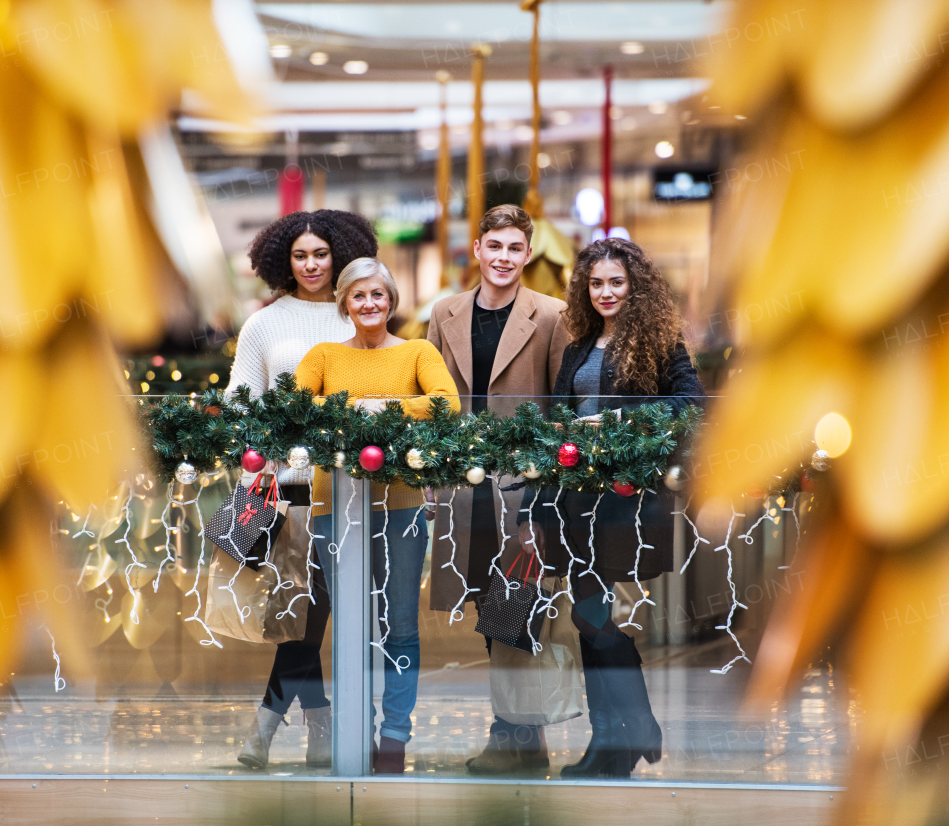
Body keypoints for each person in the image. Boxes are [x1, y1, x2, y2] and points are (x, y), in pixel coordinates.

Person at [295, 257, 460, 774]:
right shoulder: (322, 355)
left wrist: (361, 409)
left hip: (403, 507)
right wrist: (390, 408)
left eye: (378, 295)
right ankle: (354, 730)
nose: (369, 304)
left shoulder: (417, 351)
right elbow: (296, 409)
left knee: (400, 625)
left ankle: (393, 736)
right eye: (359, 296)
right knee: (348, 625)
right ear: (344, 302)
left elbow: (446, 403)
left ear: (391, 301)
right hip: (333, 508)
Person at [228, 209, 379, 771]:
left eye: (321, 253)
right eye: (300, 255)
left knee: (309, 619)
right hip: (286, 494)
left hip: (351, 491)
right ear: (282, 260)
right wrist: (252, 481)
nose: (312, 265)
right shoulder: (265, 324)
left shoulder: (360, 314)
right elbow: (243, 407)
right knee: (302, 616)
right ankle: (275, 734)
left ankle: (293, 732)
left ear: (341, 252)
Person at [548, 236, 704, 778]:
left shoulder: (661, 342)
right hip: (576, 499)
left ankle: (625, 732)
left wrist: (618, 421)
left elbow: (690, 402)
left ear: (635, 286)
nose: (606, 292)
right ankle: (618, 735)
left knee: (592, 616)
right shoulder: (577, 346)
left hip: (627, 501)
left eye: (617, 282)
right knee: (589, 615)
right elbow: (561, 419)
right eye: (596, 284)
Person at [425, 204, 569, 774]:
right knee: (493, 605)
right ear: (477, 250)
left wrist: (546, 486)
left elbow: (559, 407)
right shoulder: (445, 313)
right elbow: (435, 401)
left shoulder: (552, 315)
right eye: (495, 246)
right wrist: (435, 478)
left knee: (519, 602)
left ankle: (514, 735)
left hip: (522, 485)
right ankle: (519, 734)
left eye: (515, 248)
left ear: (526, 253)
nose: (504, 258)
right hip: (465, 485)